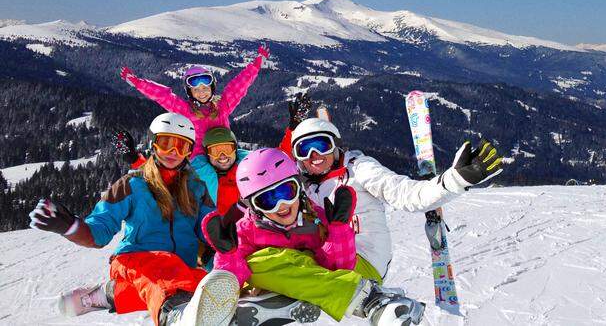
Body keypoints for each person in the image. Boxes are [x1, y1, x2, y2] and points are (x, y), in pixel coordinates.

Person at [29, 113, 237, 326]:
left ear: (189, 152)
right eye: (166, 144)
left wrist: (221, 234)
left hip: (179, 268)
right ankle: (175, 314)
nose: (173, 153)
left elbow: (208, 222)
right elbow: (99, 232)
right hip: (136, 259)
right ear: (153, 144)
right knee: (171, 278)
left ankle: (104, 295)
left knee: (202, 285)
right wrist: (72, 227)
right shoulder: (132, 185)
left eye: (181, 146)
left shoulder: (197, 188)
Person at [203, 148, 422, 325]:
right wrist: (228, 254)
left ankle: (367, 298)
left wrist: (338, 230)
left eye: (286, 192)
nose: (281, 206)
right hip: (277, 284)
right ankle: (273, 302)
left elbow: (339, 267)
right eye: (267, 201)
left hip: (317, 281)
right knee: (257, 263)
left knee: (269, 261)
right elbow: (231, 281)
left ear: (299, 188)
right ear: (254, 207)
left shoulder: (314, 217)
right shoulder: (245, 230)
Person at [281, 109, 504, 282]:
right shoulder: (305, 186)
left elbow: (404, 193)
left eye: (321, 145)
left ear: (336, 146)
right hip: (331, 257)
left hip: (363, 261)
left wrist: (455, 180)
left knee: (292, 272)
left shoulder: (360, 169)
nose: (314, 155)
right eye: (304, 150)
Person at [120, 44, 270, 158]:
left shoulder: (222, 106)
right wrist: (139, 83)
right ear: (190, 93)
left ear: (212, 88)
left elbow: (238, 86)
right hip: (201, 158)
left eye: (205, 88)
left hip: (226, 152)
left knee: (254, 159)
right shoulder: (186, 111)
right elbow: (163, 96)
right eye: (196, 90)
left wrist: (256, 64)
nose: (202, 93)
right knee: (208, 176)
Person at [191, 126, 249, 214]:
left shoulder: (250, 170)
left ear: (235, 150)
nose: (222, 156)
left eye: (227, 149)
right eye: (215, 151)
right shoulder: (194, 177)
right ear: (207, 154)